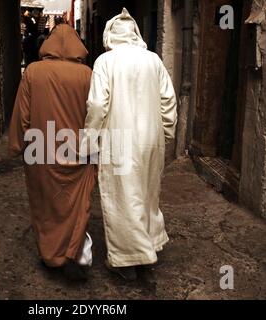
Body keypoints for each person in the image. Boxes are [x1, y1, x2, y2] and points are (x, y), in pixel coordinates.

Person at [81, 8, 178, 280]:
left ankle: (127, 261)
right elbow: (168, 101)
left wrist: (88, 141)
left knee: (124, 197)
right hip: (151, 140)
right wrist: (166, 134)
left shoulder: (105, 61)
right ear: (135, 34)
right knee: (147, 195)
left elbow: (98, 104)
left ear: (110, 35)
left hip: (119, 140)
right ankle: (148, 250)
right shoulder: (154, 60)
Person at [9, 24, 96, 281]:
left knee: (45, 204)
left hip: (41, 152)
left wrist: (17, 143)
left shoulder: (34, 72)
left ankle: (51, 255)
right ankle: (73, 252)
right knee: (77, 203)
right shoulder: (87, 74)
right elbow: (95, 113)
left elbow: (22, 113)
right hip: (78, 152)